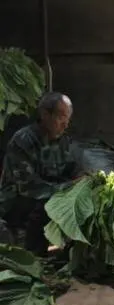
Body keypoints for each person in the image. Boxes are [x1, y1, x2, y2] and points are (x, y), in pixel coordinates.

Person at [0, 92, 79, 256]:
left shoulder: (63, 142)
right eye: (61, 117)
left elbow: (72, 170)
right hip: (18, 204)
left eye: (68, 119)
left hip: (49, 198)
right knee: (43, 206)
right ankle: (32, 251)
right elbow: (28, 187)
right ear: (45, 114)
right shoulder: (23, 140)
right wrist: (68, 187)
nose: (65, 124)